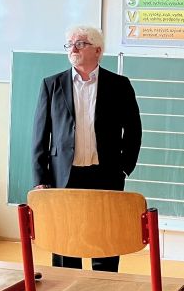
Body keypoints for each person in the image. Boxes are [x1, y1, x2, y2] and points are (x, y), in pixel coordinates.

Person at [30, 25, 141, 271]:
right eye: (69, 44)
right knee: (66, 239)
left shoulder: (119, 85)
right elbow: (40, 134)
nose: (73, 49)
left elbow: (134, 130)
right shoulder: (52, 84)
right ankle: (68, 287)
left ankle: (104, 285)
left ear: (98, 50)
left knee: (105, 237)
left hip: (105, 174)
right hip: (64, 176)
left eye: (80, 43)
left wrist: (124, 167)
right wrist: (40, 178)